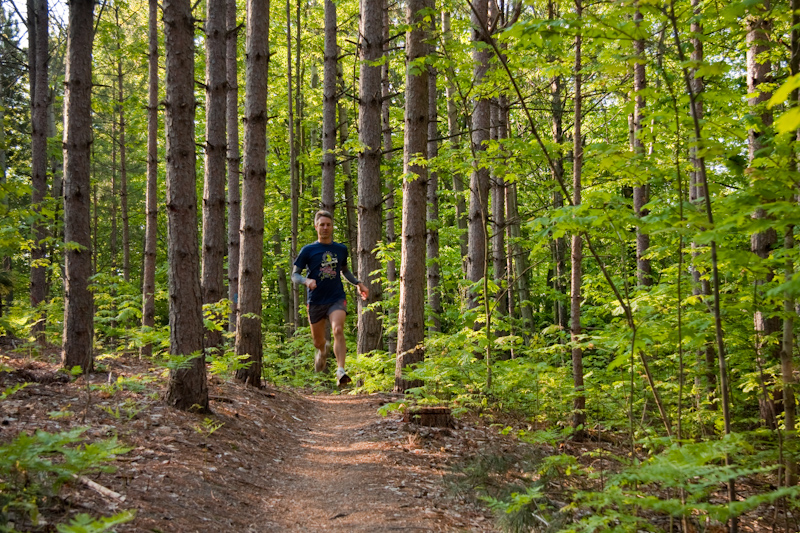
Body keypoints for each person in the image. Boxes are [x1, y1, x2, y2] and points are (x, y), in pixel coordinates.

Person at [291, 210, 369, 386]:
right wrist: (305, 281)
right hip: (316, 300)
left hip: (336, 297)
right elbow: (294, 275)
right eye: (322, 225)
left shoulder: (340, 249)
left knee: (338, 330)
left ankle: (340, 371)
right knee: (319, 341)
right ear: (316, 226)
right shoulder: (308, 250)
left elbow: (345, 270)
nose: (325, 228)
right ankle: (322, 350)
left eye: (328, 224)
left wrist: (358, 283)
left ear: (332, 227)